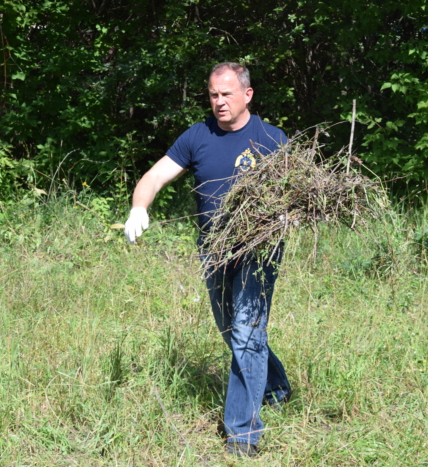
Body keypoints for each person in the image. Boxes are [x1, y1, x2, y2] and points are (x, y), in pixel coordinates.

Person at [124, 62, 292, 458]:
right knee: (234, 331)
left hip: (259, 249)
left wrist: (285, 214)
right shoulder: (197, 137)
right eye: (213, 95)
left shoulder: (272, 139)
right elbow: (154, 177)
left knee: (248, 333)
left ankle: (241, 435)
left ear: (247, 95)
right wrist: (138, 207)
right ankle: (277, 388)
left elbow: (294, 193)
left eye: (227, 94)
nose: (219, 102)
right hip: (213, 249)